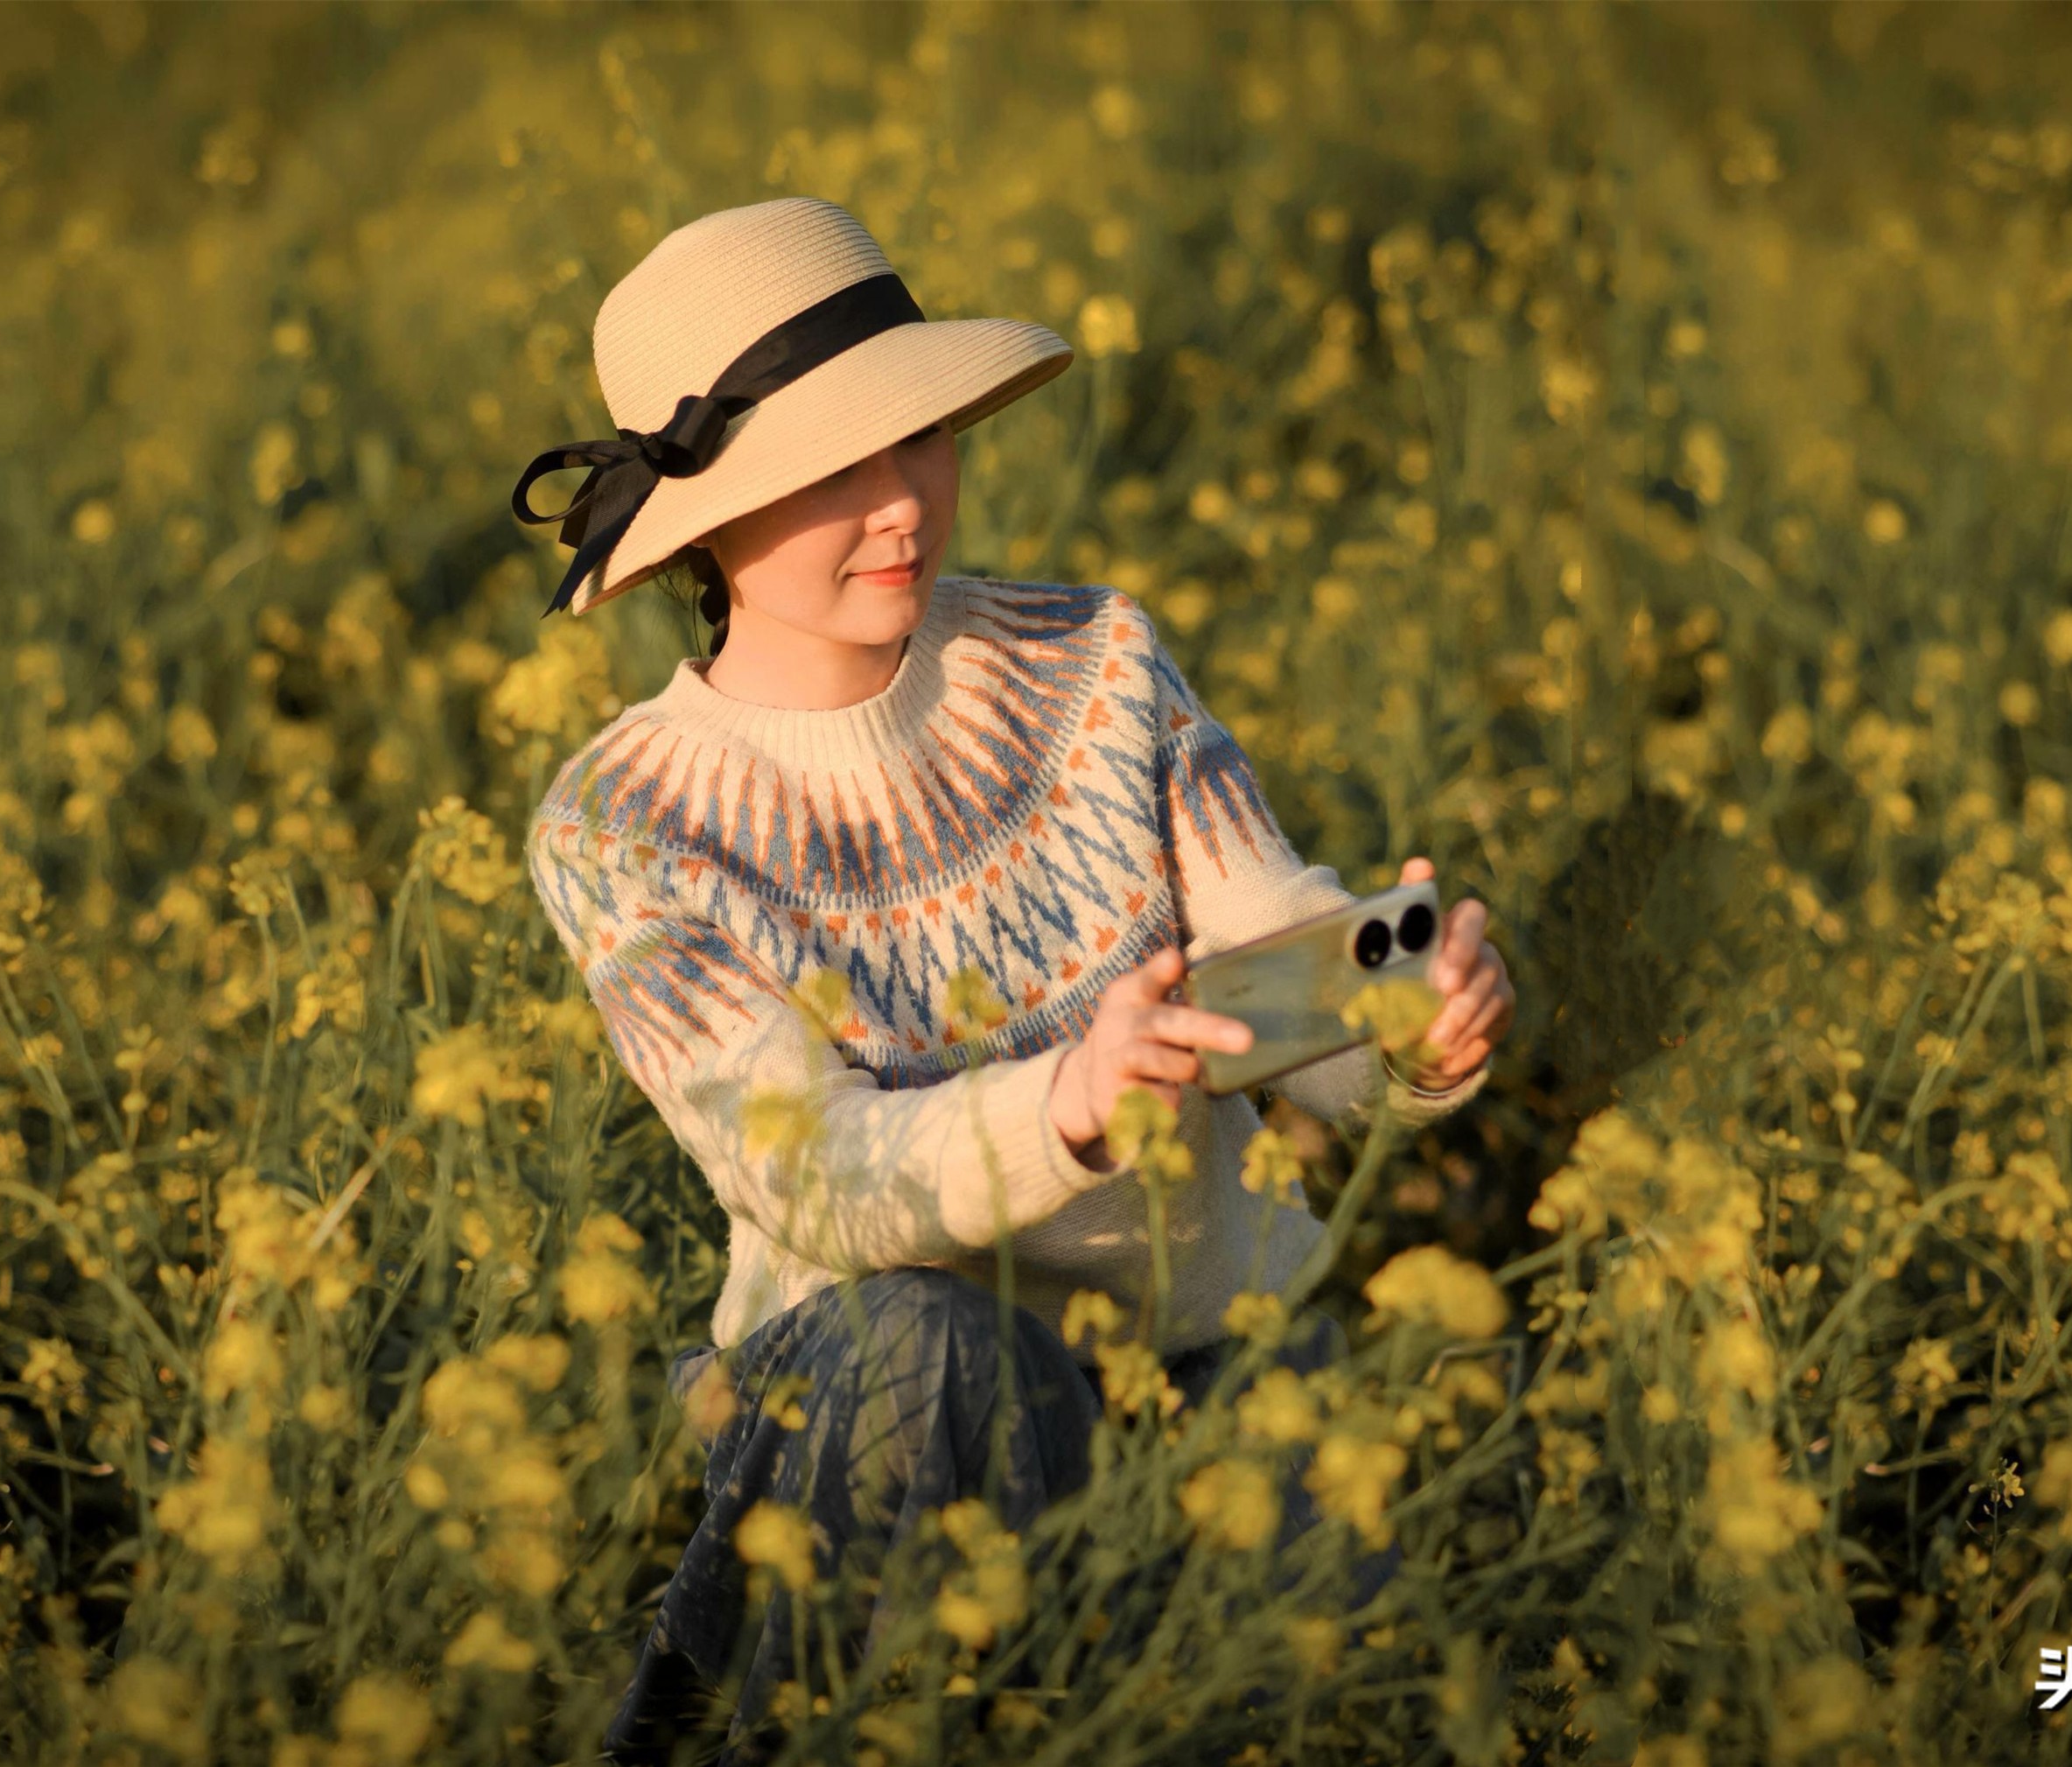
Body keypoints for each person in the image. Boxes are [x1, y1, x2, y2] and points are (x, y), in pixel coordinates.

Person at [511, 198, 1515, 1761]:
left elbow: (1267, 961)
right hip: (883, 1405)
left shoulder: (1096, 660)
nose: (904, 502)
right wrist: (1069, 1102)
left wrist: (1405, 1010)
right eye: (832, 472)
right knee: (933, 1350)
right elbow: (817, 1174)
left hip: (1195, 1360)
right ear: (700, 528)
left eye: (921, 438)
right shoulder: (622, 821)